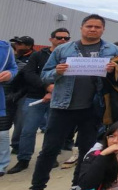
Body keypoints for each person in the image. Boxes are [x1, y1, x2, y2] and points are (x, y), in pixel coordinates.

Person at [16, 14, 118, 190]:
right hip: (62, 107)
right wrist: (57, 71)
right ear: (81, 28)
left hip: (93, 108)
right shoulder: (64, 49)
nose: (92, 30)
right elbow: (44, 75)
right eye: (89, 26)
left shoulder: (111, 50)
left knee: (87, 151)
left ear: (103, 30)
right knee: (49, 150)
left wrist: (113, 70)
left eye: (97, 27)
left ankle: (77, 186)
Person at [8, 29, 71, 174]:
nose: (62, 40)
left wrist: (55, 90)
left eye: (66, 38)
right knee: (28, 131)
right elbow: (29, 73)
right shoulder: (38, 55)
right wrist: (47, 87)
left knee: (53, 131)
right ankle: (23, 159)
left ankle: (51, 157)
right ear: (51, 39)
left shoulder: (71, 57)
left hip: (59, 98)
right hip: (35, 97)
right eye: (59, 37)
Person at [0, 38, 20, 176]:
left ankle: (1, 164)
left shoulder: (5, 47)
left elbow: (13, 67)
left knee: (1, 133)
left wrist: (10, 74)